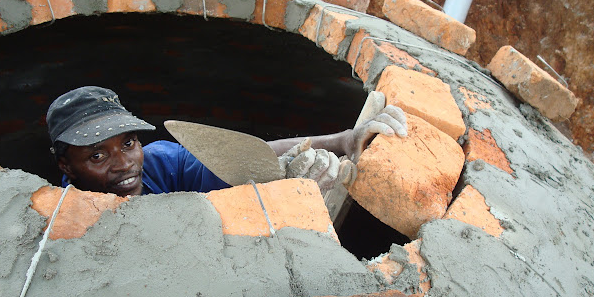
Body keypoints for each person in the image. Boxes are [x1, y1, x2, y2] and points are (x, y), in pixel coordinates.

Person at [47, 86, 407, 197]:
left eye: (128, 144)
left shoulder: (159, 163)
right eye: (97, 156)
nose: (124, 164)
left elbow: (243, 159)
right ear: (66, 168)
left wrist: (343, 140)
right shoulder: (70, 224)